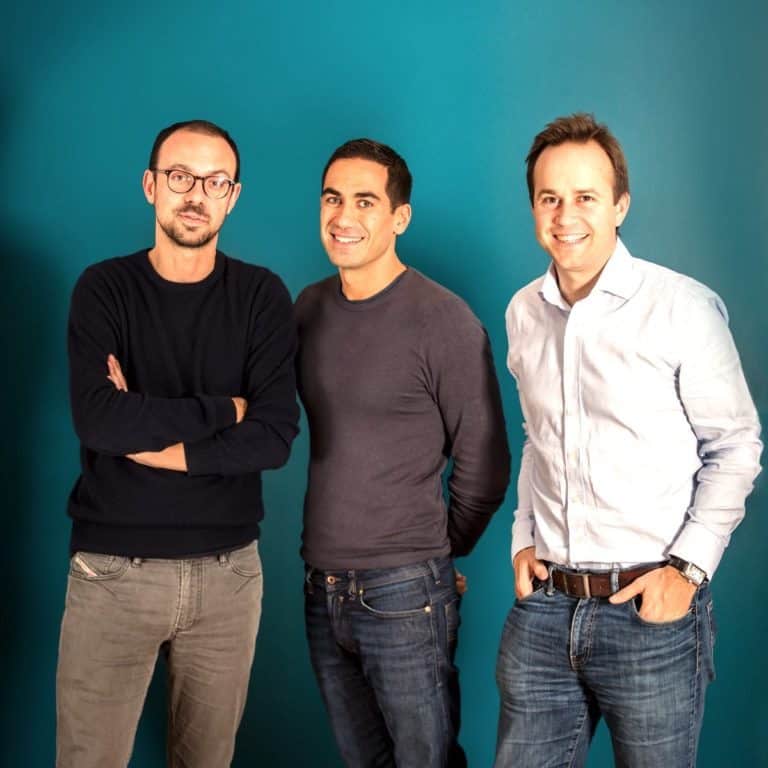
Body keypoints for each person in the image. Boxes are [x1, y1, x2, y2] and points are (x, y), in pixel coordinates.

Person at [495, 113, 762, 767]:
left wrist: (688, 571)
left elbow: (735, 445)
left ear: (620, 205)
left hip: (650, 613)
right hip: (545, 611)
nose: (566, 216)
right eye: (549, 198)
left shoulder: (682, 307)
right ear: (533, 209)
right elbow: (538, 437)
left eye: (586, 196)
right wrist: (523, 536)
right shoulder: (523, 311)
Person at [56, 119, 299, 768]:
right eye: (181, 176)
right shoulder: (103, 288)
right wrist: (225, 409)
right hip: (113, 570)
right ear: (151, 185)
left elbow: (274, 438)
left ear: (233, 197)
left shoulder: (261, 296)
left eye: (215, 182)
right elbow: (100, 422)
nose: (196, 194)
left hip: (229, 577)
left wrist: (150, 441)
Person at [295, 138, 510, 767]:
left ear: (400, 217)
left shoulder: (443, 319)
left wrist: (435, 555)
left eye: (365, 201)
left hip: (404, 593)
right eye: (333, 199)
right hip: (320, 587)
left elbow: (485, 467)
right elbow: (259, 409)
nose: (344, 216)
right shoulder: (308, 309)